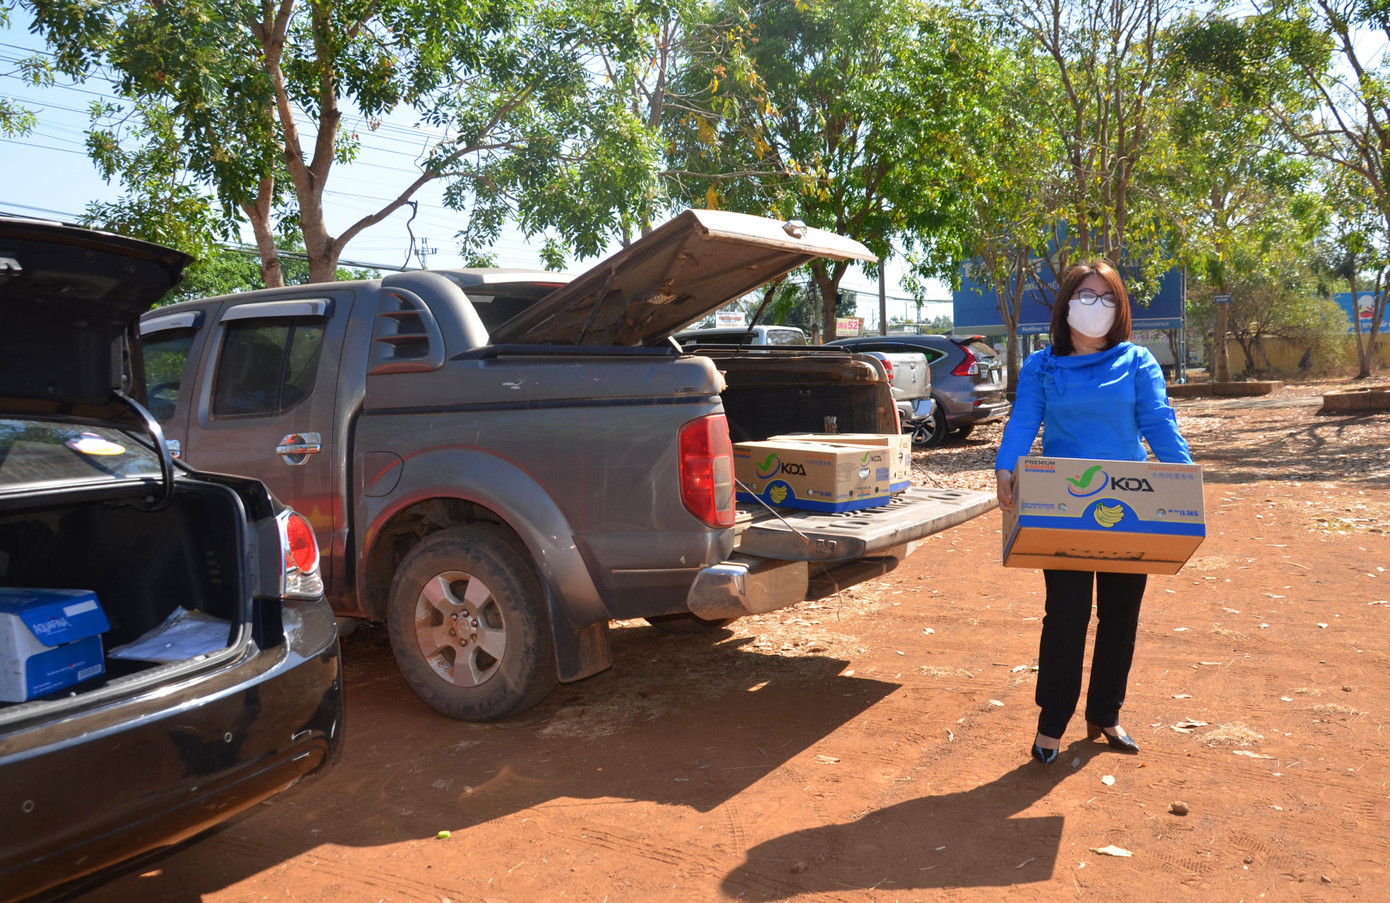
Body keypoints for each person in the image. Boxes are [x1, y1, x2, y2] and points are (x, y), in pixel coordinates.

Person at [993, 260, 1193, 765]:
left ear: (1120, 307)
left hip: (1133, 505)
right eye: (1086, 294)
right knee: (1066, 615)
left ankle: (1105, 714)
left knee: (1120, 616)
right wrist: (1005, 468)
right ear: (1066, 304)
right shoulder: (1043, 366)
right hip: (1064, 507)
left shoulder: (1138, 362)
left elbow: (1158, 422)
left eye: (1107, 297)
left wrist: (1185, 480)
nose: (1095, 305)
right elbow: (1024, 420)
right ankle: (1051, 724)